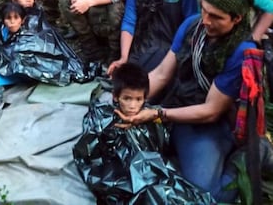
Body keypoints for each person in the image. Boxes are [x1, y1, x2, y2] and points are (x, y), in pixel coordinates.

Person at [114, 0, 260, 202]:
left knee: (205, 195)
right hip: (179, 104)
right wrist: (130, 100)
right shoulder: (193, 25)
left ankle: (247, 158)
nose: (206, 20)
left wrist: (157, 114)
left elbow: (211, 110)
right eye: (204, 11)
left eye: (216, 17)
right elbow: (162, 74)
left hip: (209, 122)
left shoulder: (241, 52)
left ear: (236, 19)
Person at [73, 62, 213, 203]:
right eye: (127, 98)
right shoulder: (103, 119)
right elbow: (90, 157)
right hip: (124, 176)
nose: (133, 105)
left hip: (152, 171)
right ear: (116, 96)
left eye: (138, 99)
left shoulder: (151, 116)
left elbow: (161, 144)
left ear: (145, 98)